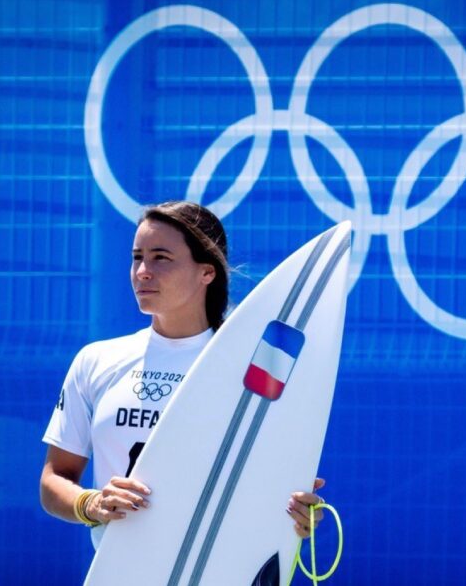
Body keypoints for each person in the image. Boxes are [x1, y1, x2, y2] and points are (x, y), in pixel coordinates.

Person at [39, 200, 324, 549]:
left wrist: (297, 512)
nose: (143, 270)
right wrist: (91, 504)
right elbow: (53, 481)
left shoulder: (256, 366)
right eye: (136, 256)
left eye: (161, 257)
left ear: (207, 272)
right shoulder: (96, 360)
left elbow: (280, 484)